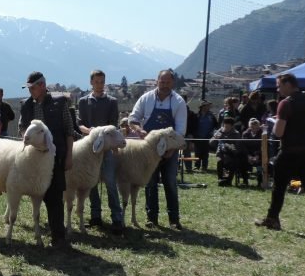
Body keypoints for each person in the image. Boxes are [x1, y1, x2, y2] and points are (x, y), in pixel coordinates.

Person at [255, 73, 305, 241]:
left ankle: (273, 219)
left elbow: (279, 132)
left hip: (289, 151)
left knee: (279, 187)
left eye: (279, 86)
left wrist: (273, 124)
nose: (278, 89)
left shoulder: (285, 104)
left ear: (288, 84)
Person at [19, 71, 74, 248]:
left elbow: (68, 130)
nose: (30, 91)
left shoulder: (59, 103)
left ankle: (58, 236)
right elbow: (22, 128)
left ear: (42, 85)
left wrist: (69, 156)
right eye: (28, 88)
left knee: (55, 196)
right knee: (37, 193)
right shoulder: (26, 105)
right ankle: (41, 229)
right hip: (34, 159)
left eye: (33, 87)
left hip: (55, 158)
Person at [128, 69, 187, 230]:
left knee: (170, 182)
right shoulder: (146, 98)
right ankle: (151, 218)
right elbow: (133, 119)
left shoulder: (179, 102)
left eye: (167, 82)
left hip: (170, 152)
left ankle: (174, 219)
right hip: (148, 152)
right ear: (157, 81)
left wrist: (171, 150)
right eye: (162, 82)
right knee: (150, 183)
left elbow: (180, 131)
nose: (164, 85)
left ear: (172, 83)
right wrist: (138, 130)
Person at [76, 69, 123, 233]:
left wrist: (112, 143)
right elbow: (79, 124)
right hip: (89, 150)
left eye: (102, 82)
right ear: (91, 83)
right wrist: (92, 132)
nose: (100, 85)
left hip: (107, 149)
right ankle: (96, 217)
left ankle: (117, 218)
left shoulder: (112, 102)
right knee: (92, 183)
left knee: (110, 182)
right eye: (96, 82)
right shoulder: (83, 101)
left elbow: (113, 125)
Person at [210, 116, 244, 186]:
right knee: (219, 161)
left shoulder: (236, 134)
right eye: (225, 126)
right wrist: (215, 138)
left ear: (232, 126)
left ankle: (229, 181)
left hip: (231, 153)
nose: (226, 128)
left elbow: (238, 147)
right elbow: (211, 143)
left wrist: (230, 146)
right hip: (221, 153)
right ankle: (220, 179)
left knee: (232, 163)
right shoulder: (220, 131)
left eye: (228, 127)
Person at [194, 101, 217, 171]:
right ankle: (196, 166)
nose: (208, 107)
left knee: (205, 153)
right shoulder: (197, 115)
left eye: (209, 106)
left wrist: (213, 133)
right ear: (202, 107)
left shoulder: (211, 116)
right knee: (197, 152)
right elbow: (193, 125)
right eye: (207, 106)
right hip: (198, 137)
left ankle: (204, 167)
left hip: (207, 137)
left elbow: (216, 125)